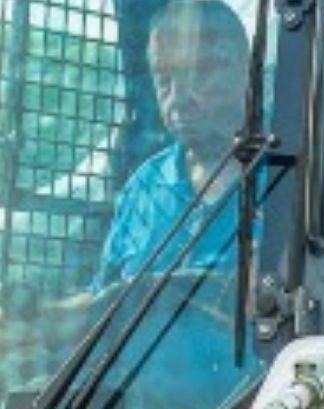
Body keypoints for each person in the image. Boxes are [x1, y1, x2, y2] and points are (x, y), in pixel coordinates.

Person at [91, 0, 254, 288]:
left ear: (243, 72)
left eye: (195, 75)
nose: (176, 101)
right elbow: (103, 306)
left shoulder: (287, 182)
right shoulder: (144, 188)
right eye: (164, 81)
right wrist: (50, 317)